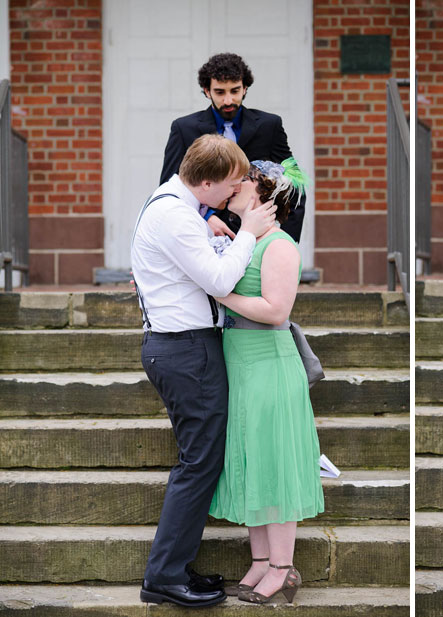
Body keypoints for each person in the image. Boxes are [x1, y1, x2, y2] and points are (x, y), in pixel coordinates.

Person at [132, 134, 278, 608]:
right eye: (232, 183)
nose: (235, 192)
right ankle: (165, 576)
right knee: (198, 465)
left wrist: (215, 238)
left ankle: (175, 569)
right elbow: (218, 282)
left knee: (199, 462)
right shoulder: (175, 215)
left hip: (182, 347)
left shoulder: (177, 206)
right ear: (208, 182)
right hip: (185, 351)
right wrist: (251, 231)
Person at [208, 158, 324, 605]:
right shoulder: (246, 240)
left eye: (246, 181)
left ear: (264, 195)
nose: (235, 185)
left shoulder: (279, 246)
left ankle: (281, 568)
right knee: (253, 460)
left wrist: (222, 294)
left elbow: (277, 311)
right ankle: (259, 561)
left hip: (269, 365)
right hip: (240, 363)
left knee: (275, 465)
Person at [159, 52, 306, 242]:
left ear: (245, 88)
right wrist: (205, 219)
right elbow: (170, 188)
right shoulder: (183, 128)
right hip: (203, 237)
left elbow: (295, 183)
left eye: (235, 91)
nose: (228, 100)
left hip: (258, 236)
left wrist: (286, 241)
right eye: (220, 92)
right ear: (206, 91)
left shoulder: (269, 126)